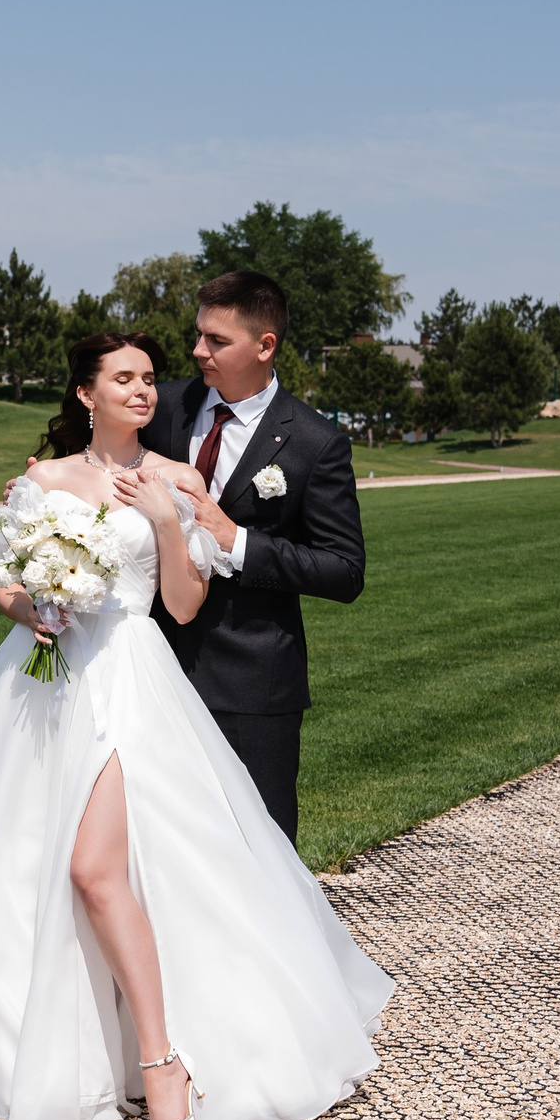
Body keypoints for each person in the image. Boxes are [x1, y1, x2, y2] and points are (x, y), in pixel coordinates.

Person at [0, 333, 392, 1120]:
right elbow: (6, 582)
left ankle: (164, 1063)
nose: (143, 390)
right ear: (85, 393)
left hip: (130, 673)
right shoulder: (44, 478)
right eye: (122, 378)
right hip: (41, 683)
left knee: (93, 867)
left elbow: (186, 602)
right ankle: (56, 1049)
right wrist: (34, 607)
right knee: (28, 862)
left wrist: (168, 520)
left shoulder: (177, 477)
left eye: (148, 378)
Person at [136, 269, 366, 842]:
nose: (197, 350)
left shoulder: (316, 442)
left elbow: (344, 570)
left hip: (253, 683)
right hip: (150, 667)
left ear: (265, 346)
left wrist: (236, 540)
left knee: (260, 853)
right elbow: (93, 458)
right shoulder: (163, 407)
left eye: (217, 340)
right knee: (159, 847)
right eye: (198, 335)